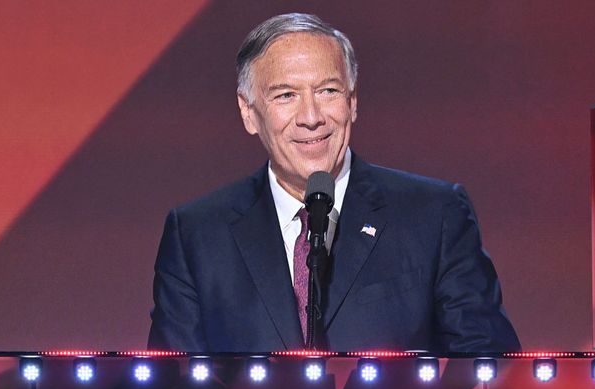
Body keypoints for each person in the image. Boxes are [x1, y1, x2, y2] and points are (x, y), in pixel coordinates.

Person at [148, 13, 520, 354]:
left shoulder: (435, 215)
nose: (311, 117)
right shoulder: (197, 235)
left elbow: (489, 374)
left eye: (328, 91)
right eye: (286, 95)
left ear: (353, 102)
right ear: (249, 113)